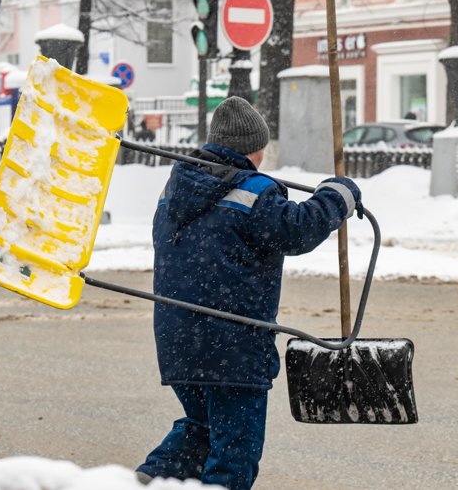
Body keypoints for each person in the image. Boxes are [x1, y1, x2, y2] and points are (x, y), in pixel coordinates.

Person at [136, 96, 362, 489]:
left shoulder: (176, 187)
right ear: (256, 149)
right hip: (232, 345)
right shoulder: (255, 192)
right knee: (234, 450)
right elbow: (298, 229)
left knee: (204, 426)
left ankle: (150, 478)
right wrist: (339, 195)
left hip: (178, 339)